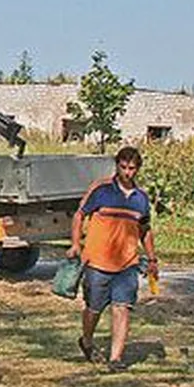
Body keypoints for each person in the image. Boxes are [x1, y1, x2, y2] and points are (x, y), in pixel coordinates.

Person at [69, 146, 159, 371]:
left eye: (132, 168)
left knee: (122, 307)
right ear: (117, 166)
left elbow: (144, 229)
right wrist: (75, 244)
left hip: (128, 264)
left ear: (138, 169)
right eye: (124, 167)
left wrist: (152, 258)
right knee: (94, 308)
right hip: (97, 262)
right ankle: (87, 340)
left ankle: (116, 358)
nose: (128, 172)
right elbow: (79, 215)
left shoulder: (141, 198)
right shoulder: (101, 190)